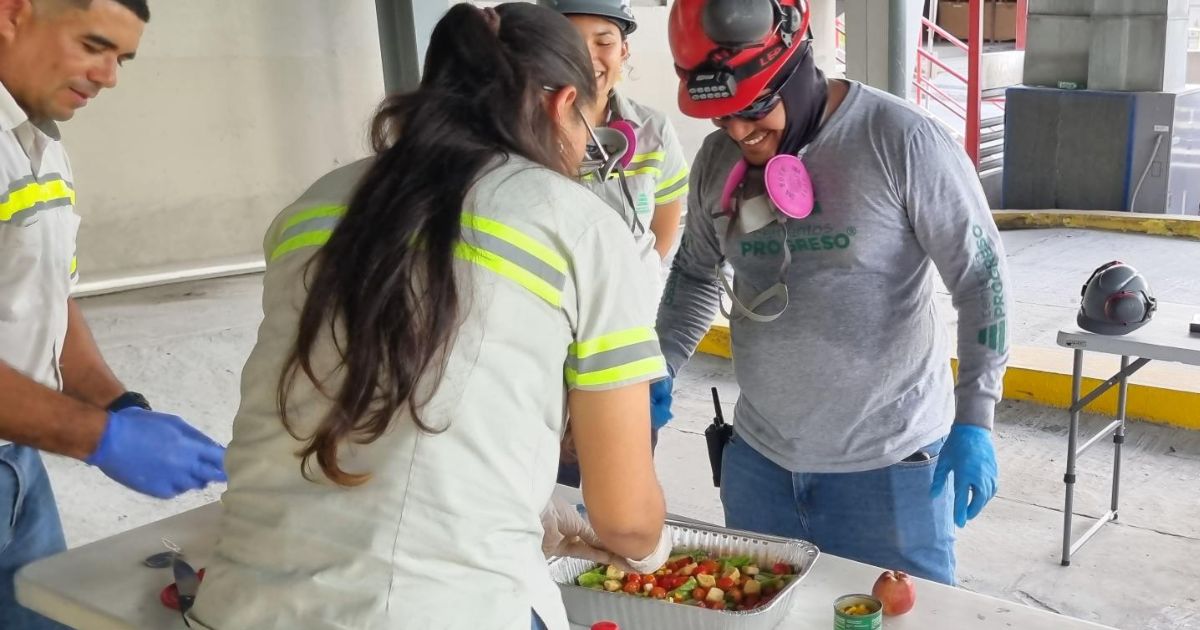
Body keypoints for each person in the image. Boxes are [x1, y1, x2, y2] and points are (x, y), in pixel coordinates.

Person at [188, 4, 671, 629]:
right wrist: (648, 547)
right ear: (563, 105)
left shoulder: (313, 205)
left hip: (240, 603)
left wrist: (519, 497)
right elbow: (626, 517)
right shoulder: (579, 225)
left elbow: (368, 395)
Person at [655, 0, 1012, 585]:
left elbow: (982, 279)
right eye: (721, 118)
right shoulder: (718, 162)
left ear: (797, 68)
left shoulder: (902, 141)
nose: (739, 132)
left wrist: (976, 418)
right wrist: (660, 364)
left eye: (754, 108)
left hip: (890, 472)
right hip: (760, 467)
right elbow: (695, 273)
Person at [0, 1, 227, 625]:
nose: (110, 77)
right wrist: (100, 438)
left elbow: (48, 299)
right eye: (94, 46)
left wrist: (120, 406)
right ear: (12, 14)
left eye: (121, 59)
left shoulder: (36, 143)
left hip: (17, 464)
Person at [539, 0, 689, 487]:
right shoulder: (525, 132)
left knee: (620, 486)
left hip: (623, 341)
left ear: (624, 51)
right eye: (570, 42)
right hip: (545, 344)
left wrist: (626, 295)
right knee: (551, 495)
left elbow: (663, 228)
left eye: (603, 41)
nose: (588, 56)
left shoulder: (652, 131)